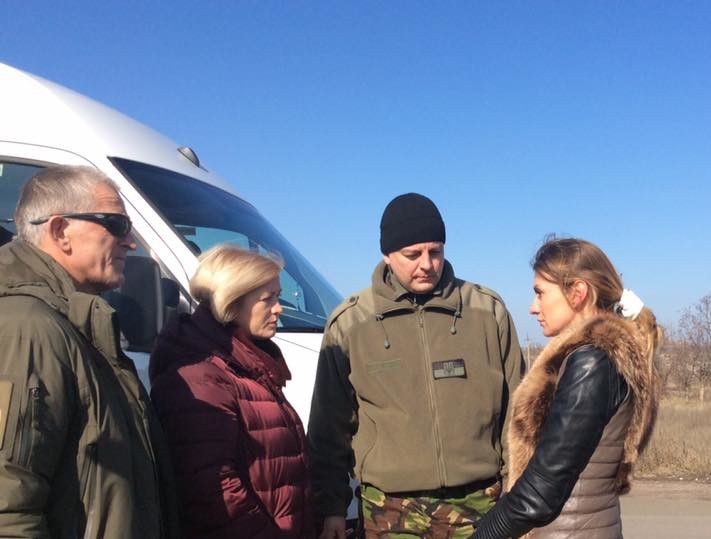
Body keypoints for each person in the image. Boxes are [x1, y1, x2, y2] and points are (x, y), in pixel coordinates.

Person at [309, 193, 524, 538]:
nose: (427, 264)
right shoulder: (351, 323)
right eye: (412, 255)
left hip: (479, 504)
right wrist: (331, 507)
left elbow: (520, 413)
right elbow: (328, 428)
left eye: (435, 251)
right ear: (387, 255)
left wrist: (518, 490)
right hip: (389, 511)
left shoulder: (487, 311)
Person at [0, 165, 178, 538]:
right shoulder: (28, 327)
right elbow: (9, 508)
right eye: (116, 224)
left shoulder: (78, 322)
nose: (130, 242)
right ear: (60, 231)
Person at [469, 237, 660, 539]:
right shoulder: (605, 357)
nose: (533, 308)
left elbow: (541, 491)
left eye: (540, 293)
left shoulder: (592, 362)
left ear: (577, 292)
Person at [149, 244, 314, 538]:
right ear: (232, 302)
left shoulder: (251, 367)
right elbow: (214, 493)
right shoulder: (202, 377)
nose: (279, 308)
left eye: (278, 296)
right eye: (268, 298)